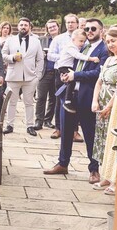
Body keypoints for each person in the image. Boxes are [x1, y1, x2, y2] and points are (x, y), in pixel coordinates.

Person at [44, 19, 109, 184]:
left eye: (93, 28)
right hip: (70, 94)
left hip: (88, 97)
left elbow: (98, 74)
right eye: (87, 28)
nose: (89, 31)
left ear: (101, 30)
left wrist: (75, 76)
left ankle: (94, 169)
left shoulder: (103, 50)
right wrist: (65, 75)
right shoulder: (82, 46)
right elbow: (67, 63)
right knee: (65, 130)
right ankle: (63, 163)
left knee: (89, 133)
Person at [91, 28, 117, 194]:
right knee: (102, 141)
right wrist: (94, 100)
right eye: (108, 41)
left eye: (113, 41)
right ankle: (106, 175)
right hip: (101, 102)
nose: (110, 44)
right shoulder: (110, 60)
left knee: (113, 142)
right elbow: (99, 81)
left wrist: (108, 107)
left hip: (114, 105)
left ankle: (115, 179)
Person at [1, 17, 44, 136]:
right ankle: (9, 125)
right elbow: (2, 55)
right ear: (18, 27)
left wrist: (38, 75)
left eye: (25, 25)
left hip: (30, 77)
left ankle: (30, 126)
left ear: (29, 27)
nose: (23, 27)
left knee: (29, 102)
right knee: (11, 102)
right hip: (13, 75)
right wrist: (12, 58)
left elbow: (40, 59)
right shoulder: (10, 40)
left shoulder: (36, 41)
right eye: (21, 25)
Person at [47, 13, 83, 142]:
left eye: (72, 22)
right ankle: (58, 128)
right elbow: (50, 55)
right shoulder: (59, 38)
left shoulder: (82, 38)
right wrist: (64, 56)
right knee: (59, 100)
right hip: (61, 72)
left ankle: (74, 131)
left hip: (76, 72)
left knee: (74, 101)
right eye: (68, 22)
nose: (70, 24)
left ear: (77, 24)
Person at [56, 29, 100, 113]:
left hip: (68, 66)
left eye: (84, 41)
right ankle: (67, 101)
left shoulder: (76, 46)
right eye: (80, 41)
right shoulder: (70, 47)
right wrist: (91, 59)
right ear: (73, 40)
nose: (82, 43)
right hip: (63, 66)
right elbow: (77, 55)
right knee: (72, 81)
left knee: (72, 80)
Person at [35, 19, 60, 131]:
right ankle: (38, 121)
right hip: (44, 71)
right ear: (47, 29)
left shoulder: (63, 40)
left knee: (53, 98)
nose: (52, 29)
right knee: (41, 97)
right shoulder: (42, 41)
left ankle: (48, 120)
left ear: (58, 27)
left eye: (54, 26)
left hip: (58, 72)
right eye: (50, 27)